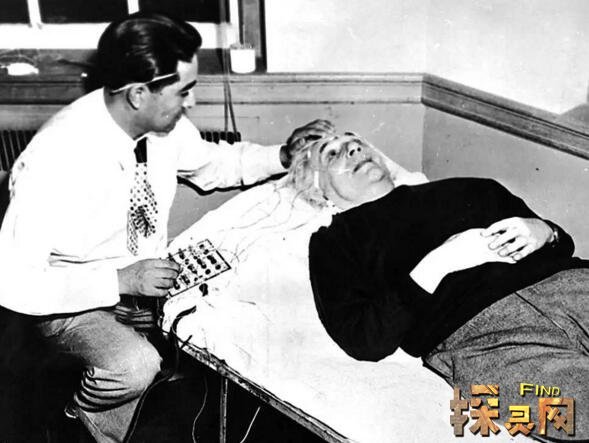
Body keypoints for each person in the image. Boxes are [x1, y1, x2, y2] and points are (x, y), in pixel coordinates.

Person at [0, 12, 334, 443]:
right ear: (139, 94)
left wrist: (283, 156)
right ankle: (75, 419)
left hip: (138, 285)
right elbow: (12, 282)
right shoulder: (55, 158)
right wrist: (119, 281)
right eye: (184, 92)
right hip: (70, 297)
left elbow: (214, 164)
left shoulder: (160, 127)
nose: (190, 103)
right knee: (134, 365)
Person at [288, 133, 589, 441]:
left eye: (356, 142)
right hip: (483, 338)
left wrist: (546, 231)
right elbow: (365, 339)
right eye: (332, 154)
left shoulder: (470, 187)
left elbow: (562, 246)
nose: (353, 148)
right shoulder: (334, 243)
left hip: (570, 285)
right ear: (317, 189)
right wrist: (438, 263)